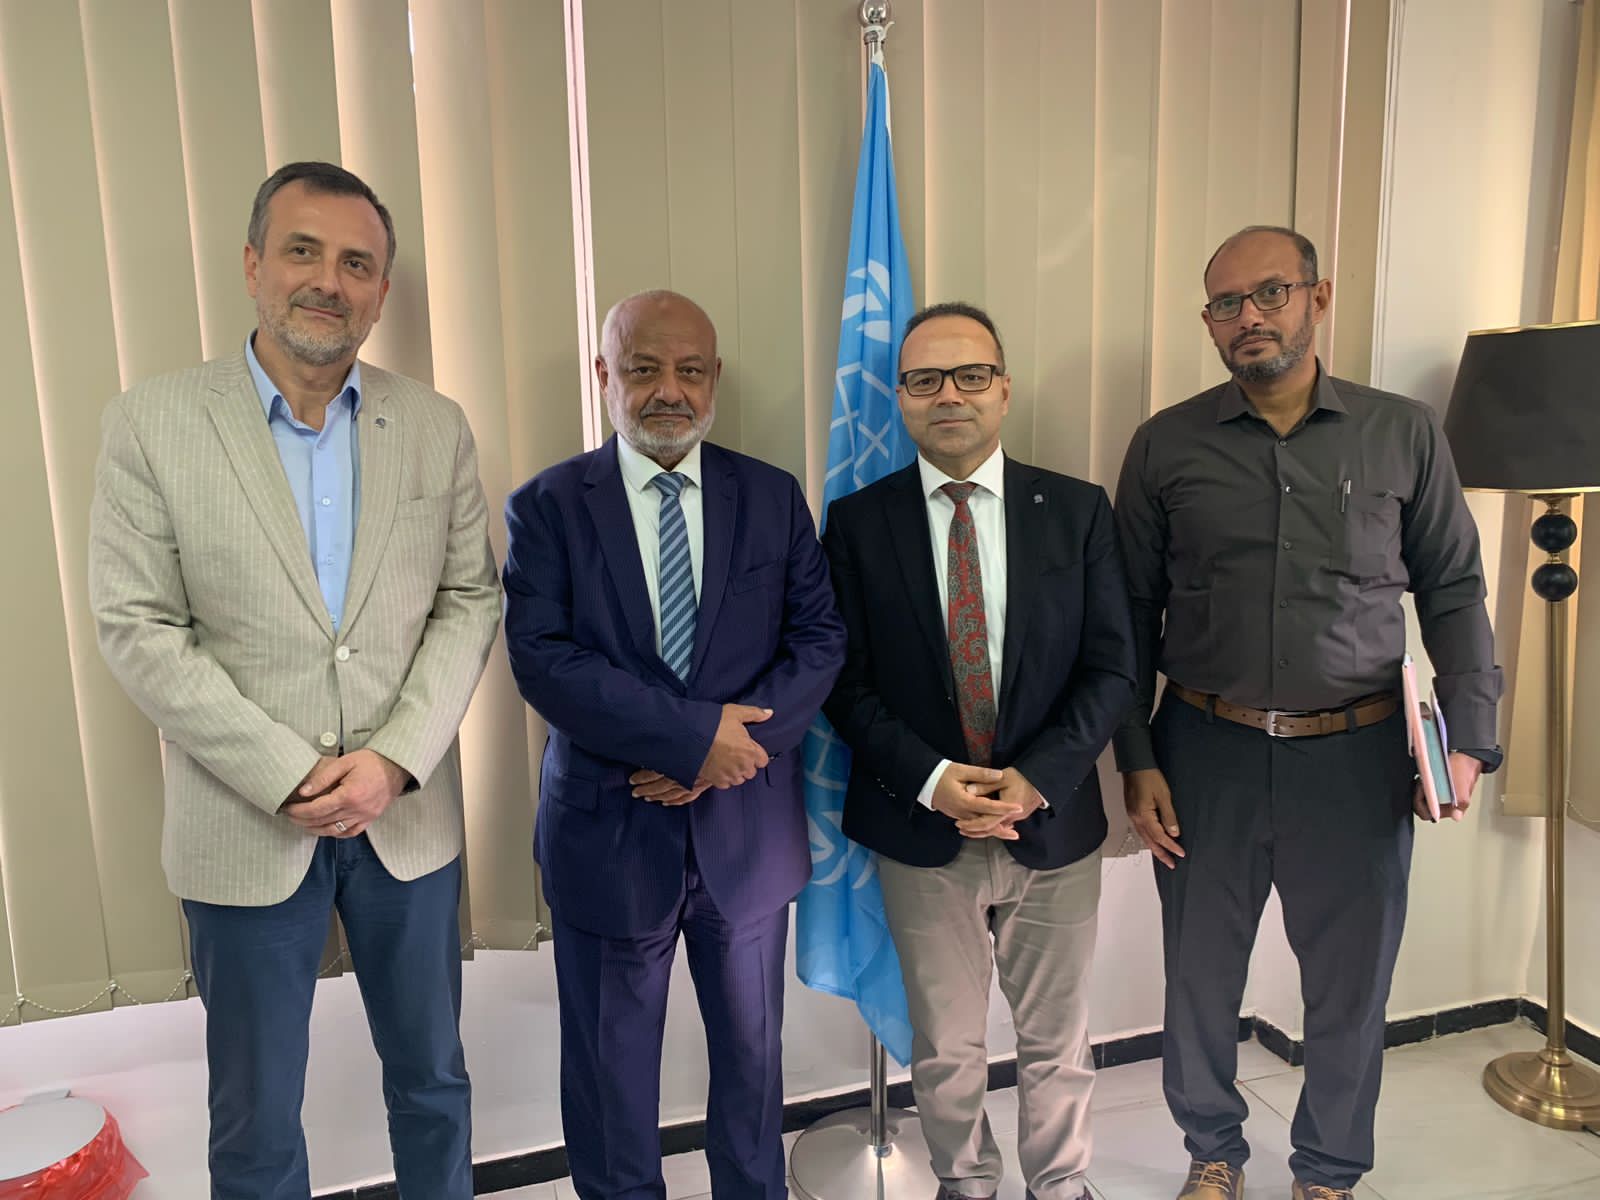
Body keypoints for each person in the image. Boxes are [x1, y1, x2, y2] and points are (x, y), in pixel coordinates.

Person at [88, 161, 500, 1199]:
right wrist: (287, 771)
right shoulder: (152, 423)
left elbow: (468, 601)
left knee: (434, 1084)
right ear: (252, 264)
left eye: (357, 263)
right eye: (303, 251)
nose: (328, 280)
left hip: (405, 822)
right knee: (257, 1115)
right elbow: (138, 626)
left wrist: (394, 761)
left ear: (382, 291)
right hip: (244, 824)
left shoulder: (435, 424)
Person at [1113, 226, 1503, 1200]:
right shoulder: (1165, 444)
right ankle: (1213, 1152)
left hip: (1357, 759)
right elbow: (1124, 615)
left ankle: (1327, 1170)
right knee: (1199, 978)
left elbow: (1454, 589)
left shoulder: (1403, 432)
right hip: (1202, 755)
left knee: (1349, 985)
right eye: (1225, 303)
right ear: (1208, 323)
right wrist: (1135, 757)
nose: (1248, 316)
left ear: (1317, 299)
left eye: (1270, 293)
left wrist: (1468, 737)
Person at [502, 289, 846, 1199]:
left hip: (747, 837)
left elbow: (818, 640)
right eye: (644, 368)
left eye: (690, 370)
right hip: (609, 838)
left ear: (715, 377)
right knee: (611, 1081)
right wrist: (697, 741)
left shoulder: (770, 496)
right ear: (604, 374)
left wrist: (732, 752)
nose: (669, 390)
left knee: (754, 1068)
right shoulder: (547, 507)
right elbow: (544, 661)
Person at [821, 301, 1136, 1200]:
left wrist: (1037, 779)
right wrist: (931, 780)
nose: (948, 395)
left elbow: (1114, 667)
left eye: (970, 375)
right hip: (922, 831)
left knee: (1057, 1040)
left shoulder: (1076, 511)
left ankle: (1061, 1183)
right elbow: (841, 680)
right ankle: (965, 1181)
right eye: (925, 380)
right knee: (946, 1045)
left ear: (1004, 389)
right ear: (900, 398)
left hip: (1053, 824)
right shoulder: (857, 522)